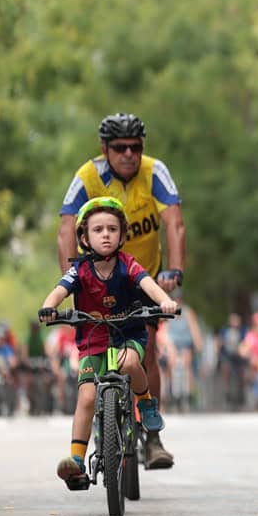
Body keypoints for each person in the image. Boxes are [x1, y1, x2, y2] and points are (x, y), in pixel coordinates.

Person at [58, 113, 185, 469]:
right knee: (97, 345)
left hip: (143, 275)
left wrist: (175, 271)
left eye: (136, 147)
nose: (129, 154)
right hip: (97, 276)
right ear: (104, 150)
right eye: (120, 148)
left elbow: (174, 223)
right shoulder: (87, 177)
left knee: (146, 346)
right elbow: (66, 227)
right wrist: (70, 279)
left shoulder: (154, 171)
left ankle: (153, 436)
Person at [39, 197, 178, 489]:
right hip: (92, 340)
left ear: (122, 235)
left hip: (128, 335)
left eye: (112, 229)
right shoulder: (80, 270)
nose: (105, 234)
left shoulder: (128, 264)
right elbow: (59, 291)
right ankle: (76, 460)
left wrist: (165, 301)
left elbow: (148, 284)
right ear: (84, 237)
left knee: (129, 362)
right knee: (87, 397)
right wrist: (48, 306)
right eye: (98, 229)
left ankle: (146, 404)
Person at [216, 313, 248, 411]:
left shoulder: (243, 330)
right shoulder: (224, 330)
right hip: (227, 356)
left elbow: (247, 342)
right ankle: (226, 389)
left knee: (243, 372)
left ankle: (242, 392)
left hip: (239, 357)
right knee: (225, 369)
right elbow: (219, 342)